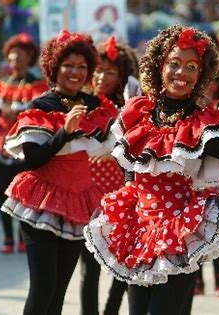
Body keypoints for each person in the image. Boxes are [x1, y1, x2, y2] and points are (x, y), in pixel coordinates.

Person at [84, 25, 219, 315]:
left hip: (180, 232)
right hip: (140, 231)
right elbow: (131, 165)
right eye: (173, 63)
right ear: (159, 66)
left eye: (191, 66)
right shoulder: (137, 114)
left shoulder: (205, 126)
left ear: (201, 74)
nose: (180, 73)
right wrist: (131, 199)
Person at [0, 30, 117, 314]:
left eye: (81, 67)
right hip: (40, 200)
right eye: (68, 65)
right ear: (55, 68)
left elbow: (114, 140)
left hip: (77, 201)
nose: (75, 72)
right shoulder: (40, 107)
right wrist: (64, 132)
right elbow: (33, 160)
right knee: (43, 288)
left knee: (59, 291)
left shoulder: (96, 107)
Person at [80, 35, 139, 315]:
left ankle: (111, 311)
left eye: (110, 72)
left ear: (123, 76)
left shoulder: (132, 108)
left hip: (121, 195)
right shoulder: (80, 104)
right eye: (98, 70)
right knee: (88, 266)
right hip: (85, 193)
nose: (102, 77)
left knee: (122, 260)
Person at [0, 33, 47, 253]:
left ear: (29, 58)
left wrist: (17, 116)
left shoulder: (37, 86)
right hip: (0, 144)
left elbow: (39, 113)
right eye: (11, 58)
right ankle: (7, 237)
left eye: (19, 57)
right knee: (1, 192)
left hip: (23, 147)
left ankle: (22, 237)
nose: (14, 62)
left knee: (23, 193)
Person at [194, 60, 219, 297]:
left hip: (216, 179)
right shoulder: (188, 108)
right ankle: (198, 279)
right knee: (194, 233)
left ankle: (218, 273)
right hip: (190, 180)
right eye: (207, 81)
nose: (210, 86)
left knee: (215, 230)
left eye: (215, 82)